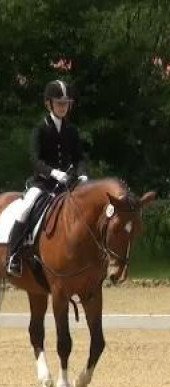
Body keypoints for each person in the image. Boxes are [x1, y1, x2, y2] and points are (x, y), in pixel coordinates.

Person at [6, 79, 88, 277]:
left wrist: (82, 173)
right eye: (59, 103)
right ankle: (13, 255)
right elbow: (35, 160)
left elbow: (79, 157)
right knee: (26, 208)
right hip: (43, 183)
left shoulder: (72, 130)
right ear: (49, 104)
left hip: (67, 185)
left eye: (66, 103)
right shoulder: (40, 129)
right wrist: (53, 172)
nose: (63, 107)